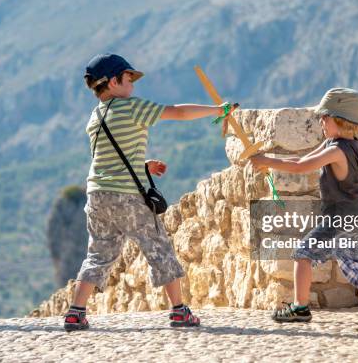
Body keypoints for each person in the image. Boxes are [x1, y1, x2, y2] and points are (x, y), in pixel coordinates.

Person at [64, 53, 236, 331]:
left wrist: (143, 165)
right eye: (128, 78)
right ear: (113, 82)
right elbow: (177, 112)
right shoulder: (131, 107)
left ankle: (75, 312)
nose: (132, 84)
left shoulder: (95, 118)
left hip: (97, 195)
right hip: (127, 196)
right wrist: (219, 110)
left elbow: (108, 160)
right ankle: (179, 311)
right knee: (159, 248)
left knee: (98, 254)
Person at [249, 88, 358, 323]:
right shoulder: (346, 144)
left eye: (325, 117)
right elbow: (300, 160)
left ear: (340, 120)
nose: (321, 121)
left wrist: (266, 160)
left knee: (302, 254)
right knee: (353, 264)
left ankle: (300, 308)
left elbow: (300, 167)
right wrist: (270, 163)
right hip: (354, 215)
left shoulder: (336, 150)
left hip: (338, 219)